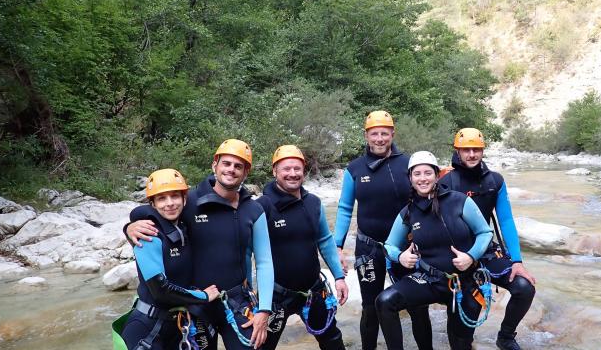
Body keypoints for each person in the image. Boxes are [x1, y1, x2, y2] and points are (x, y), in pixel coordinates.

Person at [126, 139, 274, 350]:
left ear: (246, 172)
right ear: (215, 165)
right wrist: (130, 228)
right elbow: (150, 212)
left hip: (235, 301)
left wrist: (264, 310)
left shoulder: (253, 210)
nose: (231, 170)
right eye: (226, 163)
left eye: (238, 166)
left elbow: (265, 261)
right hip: (195, 305)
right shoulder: (190, 201)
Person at [333, 110, 432, 350]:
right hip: (369, 247)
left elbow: (425, 198)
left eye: (384, 134)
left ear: (392, 134)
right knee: (370, 308)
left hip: (406, 247)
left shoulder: (408, 164)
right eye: (374, 134)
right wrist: (337, 246)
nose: (379, 139)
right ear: (366, 136)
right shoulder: (354, 169)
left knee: (418, 306)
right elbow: (346, 208)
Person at [376, 151, 493, 350]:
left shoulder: (459, 201)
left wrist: (470, 256)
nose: (422, 178)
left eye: (427, 173)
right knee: (385, 301)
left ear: (437, 175)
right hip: (429, 279)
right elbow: (389, 245)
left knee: (460, 344)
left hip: (462, 280)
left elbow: (485, 232)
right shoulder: (408, 212)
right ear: (410, 178)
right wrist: (401, 256)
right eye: (417, 174)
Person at [439, 128, 536, 350]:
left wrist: (517, 261)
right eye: (466, 150)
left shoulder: (495, 181)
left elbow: (506, 221)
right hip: (455, 252)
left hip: (486, 250)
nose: (472, 154)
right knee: (469, 306)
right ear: (458, 151)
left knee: (524, 287)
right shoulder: (446, 181)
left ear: (483, 151)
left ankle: (506, 337)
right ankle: (462, 342)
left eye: (476, 150)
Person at [256, 145, 349, 350]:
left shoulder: (314, 203)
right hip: (276, 295)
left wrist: (339, 277)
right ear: (275, 171)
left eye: (297, 169)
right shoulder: (263, 206)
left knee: (332, 340)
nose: (292, 174)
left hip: (312, 290)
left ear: (303, 170)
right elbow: (248, 251)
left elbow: (324, 240)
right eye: (286, 169)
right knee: (261, 345)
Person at [121, 169, 220, 350]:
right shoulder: (148, 235)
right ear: (153, 203)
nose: (170, 204)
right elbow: (161, 290)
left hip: (177, 324)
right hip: (147, 328)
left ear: (184, 198)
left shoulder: (183, 228)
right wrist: (203, 296)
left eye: (174, 196)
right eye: (161, 198)